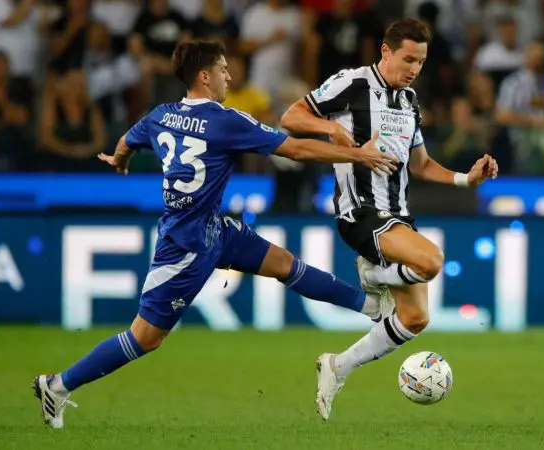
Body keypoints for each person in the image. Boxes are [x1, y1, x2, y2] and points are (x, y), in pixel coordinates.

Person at [32, 40, 400, 429]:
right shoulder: (226, 120)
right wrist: (359, 155)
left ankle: (376, 309)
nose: (229, 75)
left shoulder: (162, 114)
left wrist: (120, 161)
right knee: (145, 338)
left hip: (213, 228)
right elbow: (295, 151)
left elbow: (128, 140)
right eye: (223, 69)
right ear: (204, 76)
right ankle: (57, 385)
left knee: (284, 264)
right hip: (186, 245)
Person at [280, 18, 498, 420]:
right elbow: (291, 118)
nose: (414, 69)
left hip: (397, 216)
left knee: (416, 318)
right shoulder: (352, 82)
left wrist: (468, 177)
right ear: (386, 51)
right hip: (360, 211)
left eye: (421, 61)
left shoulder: (410, 101)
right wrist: (330, 127)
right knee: (430, 262)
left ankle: (337, 366)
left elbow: (422, 164)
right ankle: (376, 277)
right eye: (408, 59)